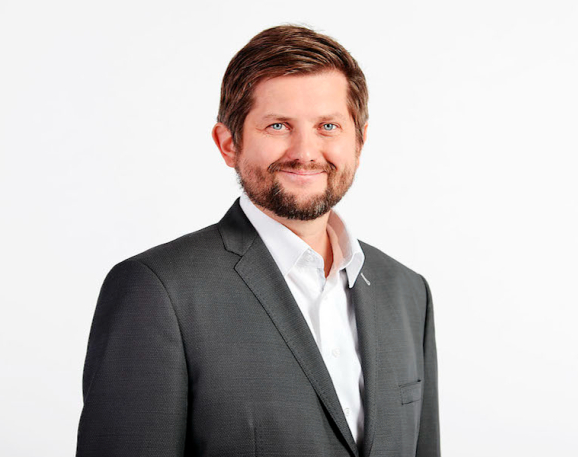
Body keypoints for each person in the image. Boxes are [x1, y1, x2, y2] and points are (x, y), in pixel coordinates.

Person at [77, 25, 440, 456]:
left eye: (328, 126)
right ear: (228, 143)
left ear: (359, 143)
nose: (305, 152)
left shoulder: (407, 293)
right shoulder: (157, 291)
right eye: (278, 125)